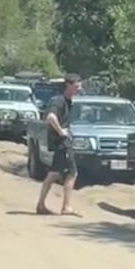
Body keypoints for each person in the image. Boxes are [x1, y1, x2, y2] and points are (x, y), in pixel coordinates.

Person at [36, 73, 82, 216]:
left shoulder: (68, 101)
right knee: (72, 173)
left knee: (53, 174)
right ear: (68, 85)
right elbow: (50, 117)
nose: (79, 88)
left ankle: (40, 205)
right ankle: (66, 207)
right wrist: (61, 131)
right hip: (61, 143)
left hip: (59, 143)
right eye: (77, 85)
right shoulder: (59, 101)